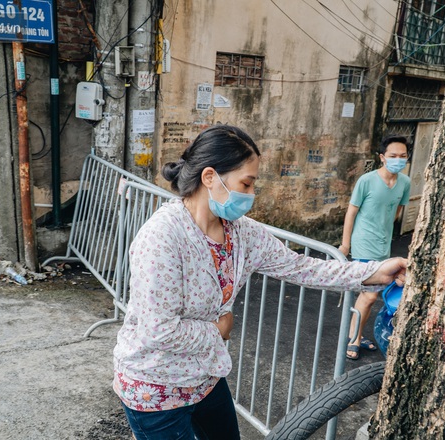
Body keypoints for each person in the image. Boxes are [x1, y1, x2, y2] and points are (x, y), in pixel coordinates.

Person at [113, 125, 408, 439]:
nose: (251, 195)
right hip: (155, 389)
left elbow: (302, 267)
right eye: (246, 183)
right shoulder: (161, 238)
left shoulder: (241, 233)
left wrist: (374, 273)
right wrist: (217, 330)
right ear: (210, 177)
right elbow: (156, 329)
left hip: (205, 377)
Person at [338, 135, 411, 360]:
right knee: (369, 296)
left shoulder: (405, 183)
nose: (398, 160)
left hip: (383, 245)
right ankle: (353, 339)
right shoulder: (367, 181)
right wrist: (345, 244)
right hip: (363, 243)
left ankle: (356, 334)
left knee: (371, 294)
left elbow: (397, 210)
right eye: (392, 156)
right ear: (382, 157)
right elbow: (351, 212)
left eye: (403, 156)